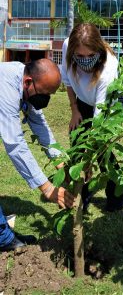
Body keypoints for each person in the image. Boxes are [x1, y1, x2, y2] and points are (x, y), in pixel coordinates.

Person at [0, 59, 74, 252]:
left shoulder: (25, 81)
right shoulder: (6, 87)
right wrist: (47, 188)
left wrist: (60, 162)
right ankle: (4, 239)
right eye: (44, 94)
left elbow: (39, 124)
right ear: (28, 82)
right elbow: (15, 144)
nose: (45, 100)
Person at [61, 23, 123, 211]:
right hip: (82, 99)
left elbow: (98, 120)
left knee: (102, 150)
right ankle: (82, 196)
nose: (85, 60)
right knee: (76, 143)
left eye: (90, 56)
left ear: (98, 50)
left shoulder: (108, 69)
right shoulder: (68, 46)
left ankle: (118, 197)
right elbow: (67, 81)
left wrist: (90, 157)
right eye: (80, 56)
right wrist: (74, 110)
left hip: (110, 101)